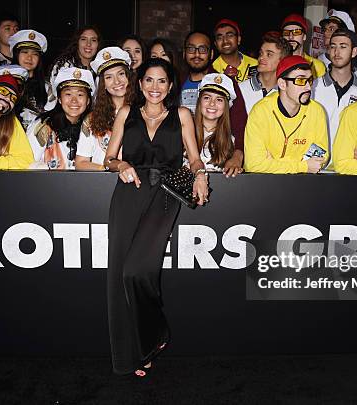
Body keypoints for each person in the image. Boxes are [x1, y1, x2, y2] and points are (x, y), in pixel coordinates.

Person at [103, 57, 208, 377]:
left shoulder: (182, 115)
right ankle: (134, 353)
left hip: (164, 196)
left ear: (171, 86)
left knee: (137, 272)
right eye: (148, 80)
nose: (154, 87)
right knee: (118, 277)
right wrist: (120, 165)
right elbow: (109, 157)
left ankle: (155, 334)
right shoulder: (125, 113)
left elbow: (193, 156)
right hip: (127, 194)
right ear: (139, 83)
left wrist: (201, 174)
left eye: (161, 81)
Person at [244, 55, 329, 174]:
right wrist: (303, 166)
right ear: (282, 84)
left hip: (302, 184)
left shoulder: (316, 111)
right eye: (300, 80)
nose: (308, 87)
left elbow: (319, 158)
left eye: (310, 80)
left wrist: (273, 163)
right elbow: (253, 164)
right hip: (266, 185)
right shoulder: (261, 111)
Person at [312, 29, 357, 161]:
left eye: (343, 47)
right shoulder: (313, 86)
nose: (336, 52)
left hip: (349, 164)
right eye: (333, 46)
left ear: (354, 52)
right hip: (316, 164)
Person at [75, 47, 134, 170]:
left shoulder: (143, 112)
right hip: (102, 183)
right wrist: (109, 168)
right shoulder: (92, 119)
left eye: (121, 74)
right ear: (103, 85)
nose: (117, 81)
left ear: (129, 77)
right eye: (109, 77)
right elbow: (81, 163)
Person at [27, 67, 95, 170]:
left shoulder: (94, 126)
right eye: (68, 94)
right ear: (59, 99)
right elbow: (28, 163)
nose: (74, 100)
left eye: (80, 94)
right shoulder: (43, 126)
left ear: (88, 101)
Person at [192, 73, 238, 173]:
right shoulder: (185, 132)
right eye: (207, 98)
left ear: (226, 106)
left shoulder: (232, 141)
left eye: (219, 99)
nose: (212, 103)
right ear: (199, 101)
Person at [9, 29, 55, 130]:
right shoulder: (6, 83)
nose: (29, 58)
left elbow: (52, 117)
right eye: (25, 52)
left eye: (35, 54)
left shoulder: (46, 87)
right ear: (17, 55)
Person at [239, 33, 291, 114]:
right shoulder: (240, 90)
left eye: (269, 54)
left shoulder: (288, 92)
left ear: (283, 60)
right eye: (261, 53)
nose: (261, 58)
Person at [280, 13, 326, 79]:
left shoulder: (317, 66)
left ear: (304, 36)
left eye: (296, 32)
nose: (290, 37)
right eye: (286, 33)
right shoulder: (273, 61)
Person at [180, 30, 212, 113]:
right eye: (191, 49)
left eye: (202, 49)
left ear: (211, 54)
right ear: (184, 53)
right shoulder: (175, 82)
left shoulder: (223, 83)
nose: (197, 54)